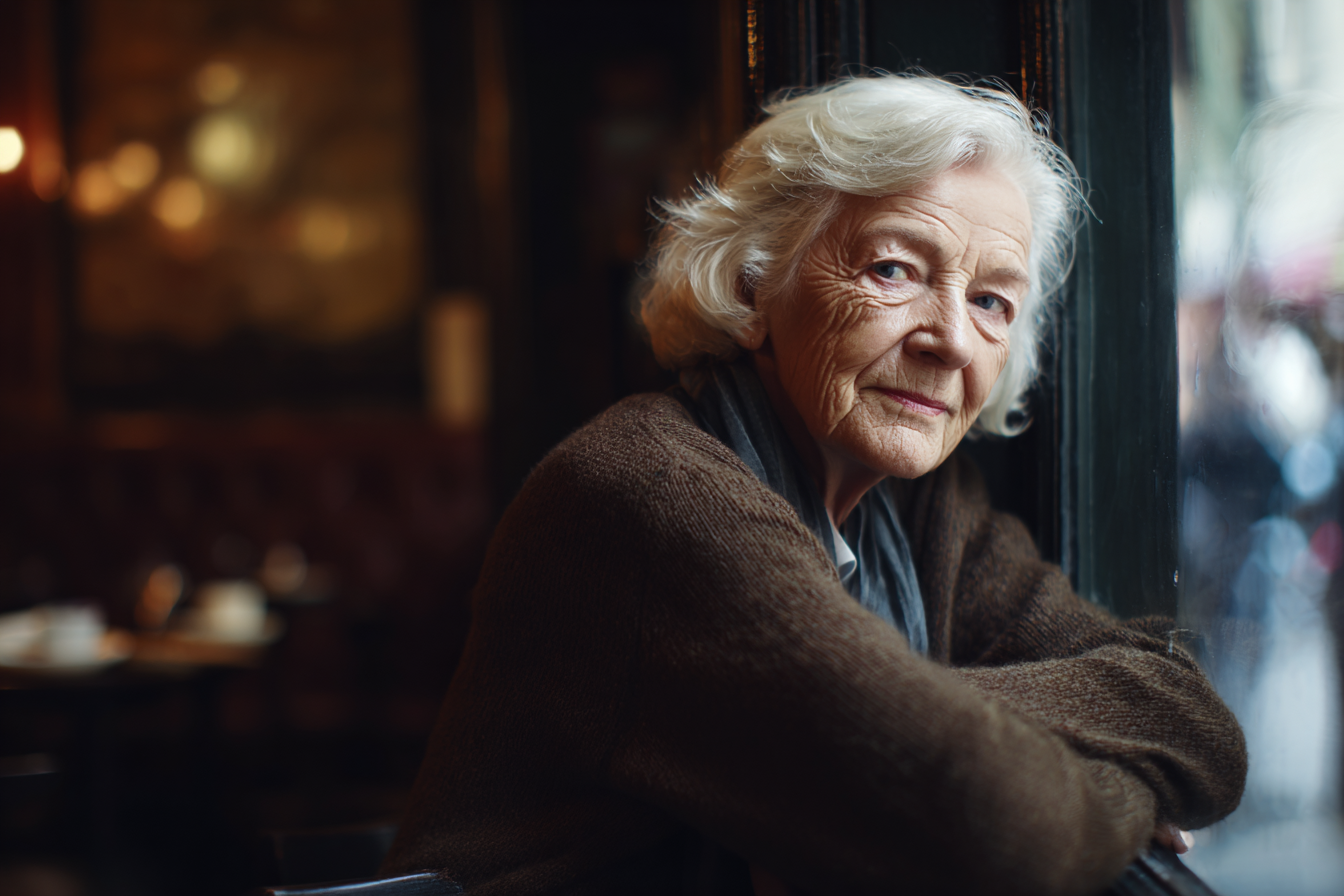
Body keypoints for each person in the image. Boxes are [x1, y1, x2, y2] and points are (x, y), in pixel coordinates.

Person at [383, 74, 1247, 895]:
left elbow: (1196, 717)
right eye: (893, 270)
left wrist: (904, 716)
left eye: (992, 301)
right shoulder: (645, 495)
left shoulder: (923, 508)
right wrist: (1131, 788)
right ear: (755, 285)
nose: (950, 340)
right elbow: (994, 829)